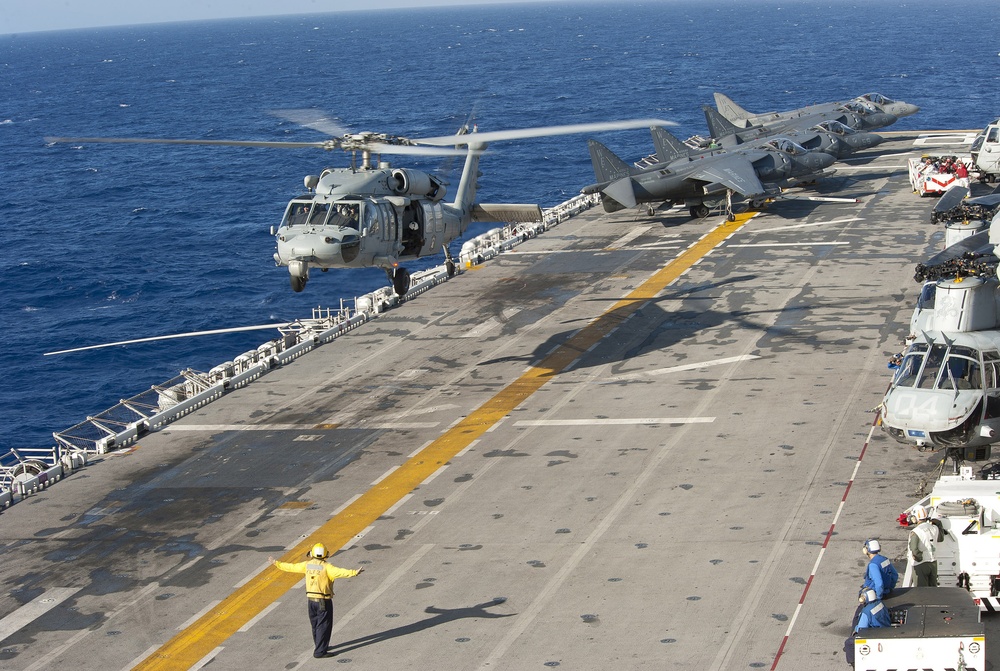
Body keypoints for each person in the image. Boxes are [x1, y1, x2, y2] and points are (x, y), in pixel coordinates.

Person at [270, 543, 365, 658]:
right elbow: (341, 572)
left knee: (315, 624)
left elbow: (291, 567)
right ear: (326, 555)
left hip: (311, 601)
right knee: (324, 625)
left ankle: (320, 645)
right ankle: (320, 651)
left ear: (312, 554)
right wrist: (354, 572)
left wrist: (276, 563)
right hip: (323, 601)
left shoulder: (307, 565)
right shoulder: (327, 567)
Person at [845, 588, 891, 665]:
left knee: (849, 643)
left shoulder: (866, 611)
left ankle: (854, 664)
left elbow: (861, 628)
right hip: (886, 630)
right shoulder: (880, 603)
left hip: (874, 635)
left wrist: (854, 632)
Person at [908, 506, 938, 587]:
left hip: (921, 564)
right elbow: (940, 538)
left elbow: (914, 548)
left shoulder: (916, 531)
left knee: (921, 590)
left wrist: (918, 558)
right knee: (933, 588)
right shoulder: (934, 528)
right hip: (933, 562)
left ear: (916, 518)